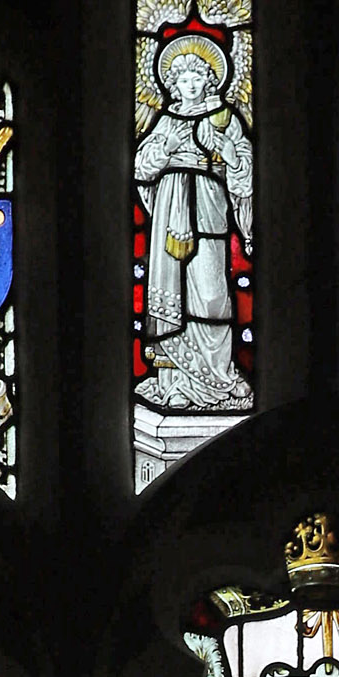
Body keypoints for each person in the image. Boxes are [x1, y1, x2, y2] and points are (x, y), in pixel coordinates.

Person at [135, 34, 254, 413]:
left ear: (209, 79)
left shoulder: (225, 118)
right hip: (170, 206)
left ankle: (217, 375)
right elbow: (140, 166)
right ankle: (174, 382)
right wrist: (164, 150)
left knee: (211, 291)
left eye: (196, 76)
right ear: (172, 83)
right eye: (182, 78)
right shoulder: (166, 121)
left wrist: (230, 154)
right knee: (169, 290)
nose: (189, 84)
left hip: (207, 201)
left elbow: (245, 176)